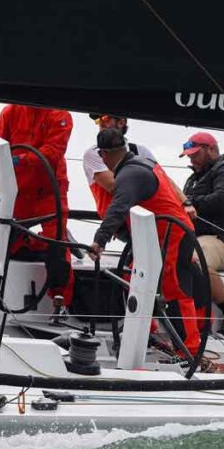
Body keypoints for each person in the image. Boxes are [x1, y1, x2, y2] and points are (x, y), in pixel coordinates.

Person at [88, 129, 201, 355]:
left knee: (175, 290)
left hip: (173, 235)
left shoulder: (129, 174)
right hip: (154, 237)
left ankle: (189, 352)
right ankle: (145, 334)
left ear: (104, 154)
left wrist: (99, 240)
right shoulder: (142, 163)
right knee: (135, 278)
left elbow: (118, 206)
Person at [0, 104, 74, 306]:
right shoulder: (10, 112)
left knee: (57, 243)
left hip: (49, 191)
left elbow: (51, 152)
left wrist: (19, 160)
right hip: (18, 190)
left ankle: (61, 300)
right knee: (5, 242)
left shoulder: (61, 115)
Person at [180, 131, 224, 338]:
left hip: (223, 240)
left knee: (197, 261)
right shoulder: (193, 178)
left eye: (195, 154)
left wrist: (189, 203)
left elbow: (223, 199)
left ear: (211, 150)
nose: (191, 159)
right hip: (196, 236)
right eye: (189, 156)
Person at [82, 114, 157, 218]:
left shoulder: (140, 150)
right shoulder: (94, 153)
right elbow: (116, 187)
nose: (101, 123)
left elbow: (163, 181)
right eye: (98, 120)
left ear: (121, 122)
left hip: (151, 217)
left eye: (105, 118)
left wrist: (186, 203)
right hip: (121, 223)